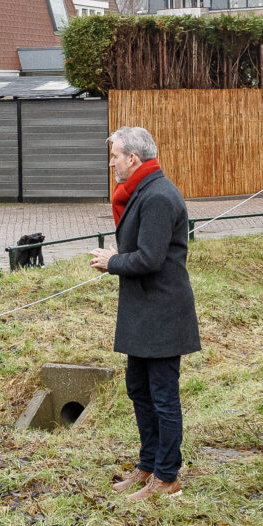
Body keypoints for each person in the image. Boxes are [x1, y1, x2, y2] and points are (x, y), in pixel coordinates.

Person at [88, 125, 200, 500]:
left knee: (164, 396)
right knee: (138, 388)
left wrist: (112, 261)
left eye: (116, 156)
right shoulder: (143, 190)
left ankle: (167, 478)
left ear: (133, 159)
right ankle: (148, 465)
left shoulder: (157, 197)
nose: (112, 162)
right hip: (143, 311)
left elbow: (150, 258)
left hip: (163, 312)